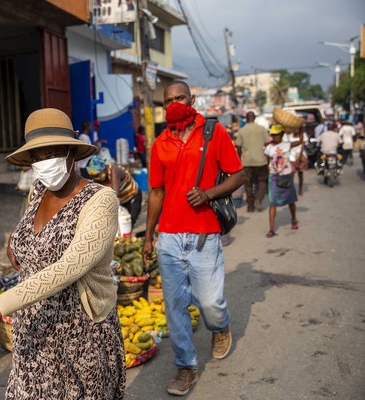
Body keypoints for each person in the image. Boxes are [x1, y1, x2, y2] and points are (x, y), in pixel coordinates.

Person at [0, 108, 126, 399]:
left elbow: (71, 265)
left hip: (80, 335)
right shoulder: (38, 189)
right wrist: (15, 240)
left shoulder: (100, 200)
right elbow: (30, 228)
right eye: (36, 156)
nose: (43, 163)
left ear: (71, 153)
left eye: (51, 153)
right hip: (33, 328)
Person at [142, 81, 244, 396]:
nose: (175, 104)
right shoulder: (159, 143)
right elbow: (156, 192)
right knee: (174, 308)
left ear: (192, 99)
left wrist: (209, 193)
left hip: (205, 234)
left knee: (210, 302)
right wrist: (148, 235)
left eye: (180, 98)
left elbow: (238, 174)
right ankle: (185, 366)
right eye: (169, 100)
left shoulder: (214, 133)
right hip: (170, 237)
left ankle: (220, 326)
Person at [264, 125, 303, 238]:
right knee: (272, 203)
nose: (274, 137)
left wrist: (301, 128)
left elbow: (300, 141)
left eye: (276, 134)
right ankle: (271, 229)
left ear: (281, 135)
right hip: (274, 178)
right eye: (273, 135)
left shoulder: (287, 145)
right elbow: (268, 162)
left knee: (291, 201)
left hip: (286, 176)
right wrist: (268, 175)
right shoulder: (269, 148)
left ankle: (294, 220)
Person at [86, 155, 143, 227]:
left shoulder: (114, 171)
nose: (95, 178)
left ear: (103, 169)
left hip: (132, 197)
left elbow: (114, 195)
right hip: (121, 201)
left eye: (97, 175)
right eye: (93, 176)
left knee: (127, 224)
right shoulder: (97, 179)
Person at [235, 111, 270, 211]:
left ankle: (250, 206)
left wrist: (238, 161)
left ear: (246, 118)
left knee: (248, 183)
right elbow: (267, 143)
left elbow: (239, 147)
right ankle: (258, 199)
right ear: (254, 118)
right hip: (260, 160)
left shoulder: (242, 130)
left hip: (246, 161)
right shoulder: (261, 129)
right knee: (262, 181)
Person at [283, 124, 309, 196]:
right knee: (292, 174)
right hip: (291, 157)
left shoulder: (303, 135)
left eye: (297, 129)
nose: (295, 130)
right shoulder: (289, 136)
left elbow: (302, 146)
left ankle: (300, 189)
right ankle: (291, 189)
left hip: (301, 157)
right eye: (294, 128)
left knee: (300, 174)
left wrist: (299, 156)